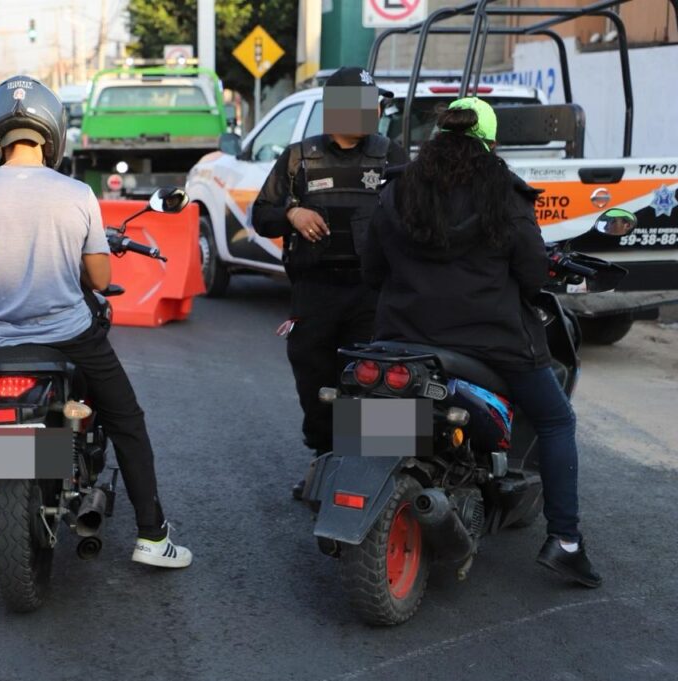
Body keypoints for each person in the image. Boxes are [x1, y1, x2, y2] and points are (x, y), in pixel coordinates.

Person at [0, 75, 192, 570]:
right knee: (126, 420)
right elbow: (98, 275)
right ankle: (153, 537)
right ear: (52, 135)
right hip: (71, 337)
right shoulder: (76, 193)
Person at [362, 97, 601, 588]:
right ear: (490, 142)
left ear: (439, 136)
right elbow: (533, 275)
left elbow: (372, 270)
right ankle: (566, 542)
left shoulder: (398, 189)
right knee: (557, 420)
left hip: (402, 338)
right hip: (493, 342)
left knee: (367, 414)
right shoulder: (505, 194)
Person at [251, 67, 407, 499]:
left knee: (374, 384)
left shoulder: (391, 154)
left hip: (372, 294)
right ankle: (324, 460)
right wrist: (290, 214)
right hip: (315, 292)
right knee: (316, 383)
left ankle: (374, 476)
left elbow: (414, 217)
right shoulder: (300, 157)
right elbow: (260, 215)